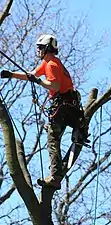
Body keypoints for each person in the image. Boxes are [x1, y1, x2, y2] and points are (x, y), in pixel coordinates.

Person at [1, 34, 88, 190]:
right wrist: (12, 75)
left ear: (47, 48)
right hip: (71, 107)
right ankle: (79, 132)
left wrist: (39, 81)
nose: (38, 50)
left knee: (53, 138)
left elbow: (54, 86)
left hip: (62, 106)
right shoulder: (50, 62)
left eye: (40, 47)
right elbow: (32, 75)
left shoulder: (52, 64)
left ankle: (55, 176)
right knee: (62, 134)